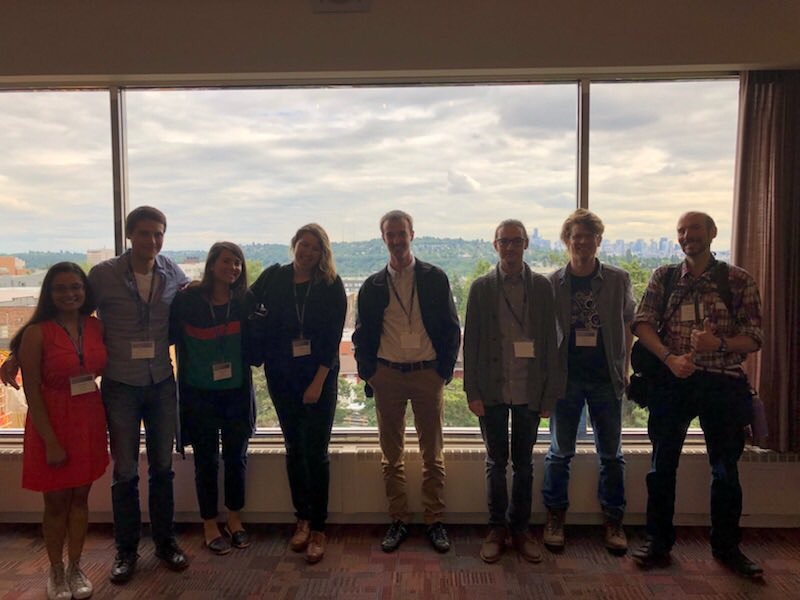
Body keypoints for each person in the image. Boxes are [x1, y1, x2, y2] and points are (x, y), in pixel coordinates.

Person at [630, 211, 764, 578]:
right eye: (682, 230)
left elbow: (754, 337)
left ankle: (727, 548)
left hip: (723, 383)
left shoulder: (738, 280)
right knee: (661, 466)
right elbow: (642, 323)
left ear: (712, 233)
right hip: (673, 381)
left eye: (695, 229)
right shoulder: (665, 276)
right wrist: (669, 359)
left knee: (725, 470)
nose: (688, 236)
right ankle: (658, 543)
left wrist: (717, 343)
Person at [89, 206, 191, 582]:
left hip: (161, 382)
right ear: (130, 235)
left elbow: (193, 302)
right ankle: (126, 551)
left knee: (163, 469)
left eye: (158, 233)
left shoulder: (172, 272)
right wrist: (23, 350)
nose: (152, 240)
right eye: (145, 233)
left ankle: (165, 543)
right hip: (121, 385)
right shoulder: (103, 275)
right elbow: (71, 314)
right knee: (125, 472)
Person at [352, 210, 461, 554]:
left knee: (433, 453)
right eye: (391, 234)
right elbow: (361, 335)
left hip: (428, 374)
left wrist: (443, 372)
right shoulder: (372, 286)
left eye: (402, 233)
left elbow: (451, 329)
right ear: (383, 238)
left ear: (412, 234)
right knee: (391, 455)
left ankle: (434, 519)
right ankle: (399, 518)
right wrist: (370, 373)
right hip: (388, 377)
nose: (397, 240)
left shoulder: (434, 278)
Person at [464, 219, 561, 564]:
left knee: (523, 465)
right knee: (495, 462)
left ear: (525, 244)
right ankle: (496, 529)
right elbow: (470, 343)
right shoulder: (481, 288)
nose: (510, 247)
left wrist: (549, 395)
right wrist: (472, 391)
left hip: (528, 390)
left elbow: (551, 344)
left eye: (516, 241)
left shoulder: (542, 287)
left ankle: (519, 530)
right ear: (495, 246)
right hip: (492, 389)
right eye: (503, 241)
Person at [249, 224, 346, 564]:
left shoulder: (331, 285)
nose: (307, 253)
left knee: (316, 452)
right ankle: (301, 518)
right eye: (303, 245)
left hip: (319, 377)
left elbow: (332, 339)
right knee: (293, 449)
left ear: (323, 254)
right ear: (294, 245)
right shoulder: (274, 277)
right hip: (282, 378)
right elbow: (243, 300)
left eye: (315, 248)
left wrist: (317, 383)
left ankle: (318, 527)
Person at [12, 263, 108, 600]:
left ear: (85, 290)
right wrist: (50, 441)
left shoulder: (96, 326)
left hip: (89, 417)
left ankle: (75, 567)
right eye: (61, 288)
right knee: (55, 502)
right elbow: (32, 391)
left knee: (81, 498)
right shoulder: (37, 333)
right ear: (49, 294)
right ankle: (55, 569)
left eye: (76, 287)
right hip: (51, 419)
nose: (70, 294)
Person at [541, 209, 635, 554]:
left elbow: (628, 323)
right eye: (575, 236)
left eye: (588, 236)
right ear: (566, 241)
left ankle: (614, 520)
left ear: (599, 240)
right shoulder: (552, 283)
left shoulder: (618, 279)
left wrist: (624, 367)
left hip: (605, 379)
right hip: (566, 379)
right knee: (559, 453)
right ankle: (555, 518)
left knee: (611, 454)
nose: (581, 242)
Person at [171, 242, 255, 555]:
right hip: (199, 394)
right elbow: (169, 333)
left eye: (237, 263)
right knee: (205, 461)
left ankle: (234, 519)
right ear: (211, 265)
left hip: (236, 393)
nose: (232, 268)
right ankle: (209, 523)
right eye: (226, 261)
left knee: (236, 458)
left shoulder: (244, 300)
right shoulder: (188, 299)